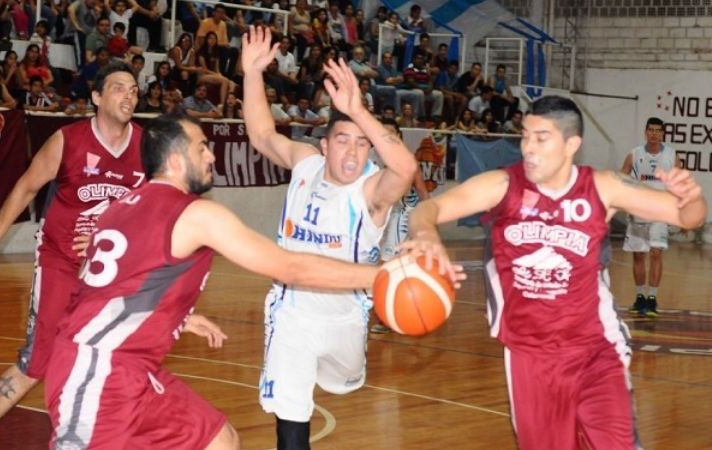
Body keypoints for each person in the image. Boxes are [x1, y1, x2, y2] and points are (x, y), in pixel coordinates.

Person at [45, 113, 382, 450]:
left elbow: (118, 279)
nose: (211, 156)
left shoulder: (121, 206)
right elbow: (288, 267)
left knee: (220, 441)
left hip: (128, 368)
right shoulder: (196, 214)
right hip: (95, 374)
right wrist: (385, 275)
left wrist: (177, 316)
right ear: (176, 160)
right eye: (202, 148)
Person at [402, 96, 707, 450]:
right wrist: (426, 234)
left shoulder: (602, 186)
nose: (528, 148)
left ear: (571, 145)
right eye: (525, 136)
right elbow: (429, 208)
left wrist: (692, 198)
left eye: (541, 138)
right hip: (530, 356)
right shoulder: (502, 185)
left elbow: (688, 218)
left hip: (595, 350)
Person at [0, 61, 145, 450]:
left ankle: (93, 437)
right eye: (119, 88)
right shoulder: (69, 140)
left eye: (134, 89)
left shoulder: (146, 147)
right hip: (60, 261)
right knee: (39, 359)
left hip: (111, 271)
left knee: (114, 357)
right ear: (97, 97)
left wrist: (118, 237)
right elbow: (25, 189)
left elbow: (154, 213)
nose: (129, 95)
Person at [242, 25, 418, 450]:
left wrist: (358, 111)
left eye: (362, 144)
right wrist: (251, 75)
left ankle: (332, 371)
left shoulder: (372, 191)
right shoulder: (305, 163)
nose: (354, 153)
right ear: (324, 145)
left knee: (344, 383)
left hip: (346, 318)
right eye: (343, 141)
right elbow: (263, 135)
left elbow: (406, 170)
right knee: (291, 417)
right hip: (292, 311)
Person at [372, 118, 430, 334]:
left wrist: (430, 222)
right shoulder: (372, 158)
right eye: (382, 133)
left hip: (400, 215)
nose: (386, 138)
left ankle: (388, 315)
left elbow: (423, 192)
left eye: (391, 133)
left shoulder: (407, 161)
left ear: (399, 136)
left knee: (388, 265)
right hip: (380, 215)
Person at [620, 117, 679, 317]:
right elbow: (622, 179)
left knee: (656, 253)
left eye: (658, 130)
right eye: (651, 130)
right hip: (638, 211)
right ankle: (639, 297)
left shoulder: (671, 156)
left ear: (663, 133)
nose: (654, 133)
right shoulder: (635, 155)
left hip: (660, 212)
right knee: (639, 255)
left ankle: (652, 298)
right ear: (646, 132)